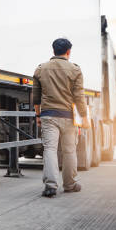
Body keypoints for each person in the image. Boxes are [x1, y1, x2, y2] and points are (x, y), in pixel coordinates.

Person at [32, 38, 90, 198]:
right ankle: (70, 184)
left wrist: (38, 115)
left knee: (50, 149)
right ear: (68, 52)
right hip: (68, 117)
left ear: (53, 51)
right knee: (69, 150)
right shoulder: (75, 70)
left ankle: (50, 186)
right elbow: (79, 96)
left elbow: (36, 97)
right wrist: (84, 116)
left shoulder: (40, 69)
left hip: (48, 116)